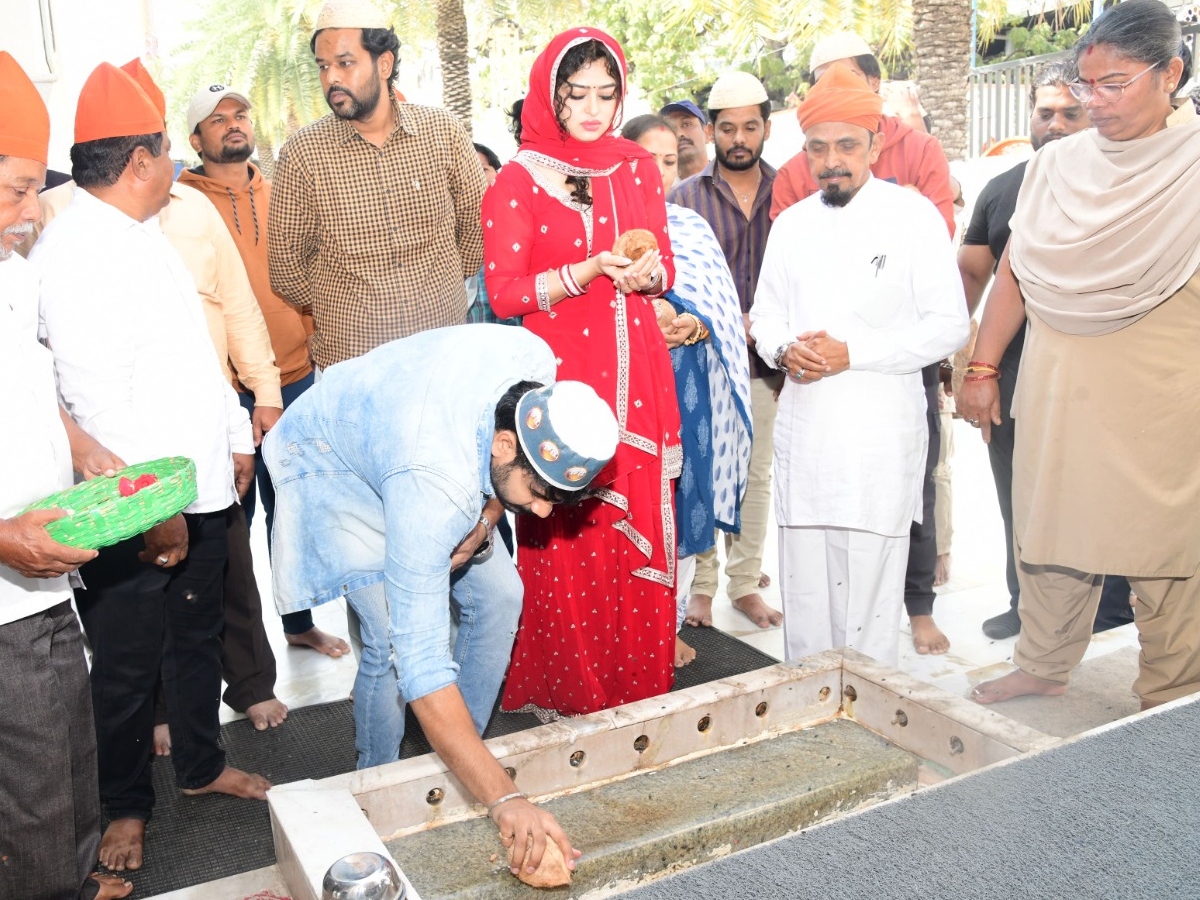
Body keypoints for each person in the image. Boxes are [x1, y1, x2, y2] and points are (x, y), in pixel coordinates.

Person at [33, 62, 271, 874]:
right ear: (139, 161)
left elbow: (195, 361)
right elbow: (96, 405)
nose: (173, 164)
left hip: (203, 485)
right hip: (142, 506)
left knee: (195, 638)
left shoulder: (145, 232)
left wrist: (237, 437)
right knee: (129, 661)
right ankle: (125, 805)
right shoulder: (73, 254)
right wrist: (149, 508)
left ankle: (201, 767)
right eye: (167, 150)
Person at [265, 324, 612, 877]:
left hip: (418, 435)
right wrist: (507, 800)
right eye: (540, 495)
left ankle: (450, 764)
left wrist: (490, 513)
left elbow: (491, 478)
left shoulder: (534, 368)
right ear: (506, 446)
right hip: (335, 458)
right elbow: (424, 662)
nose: (544, 515)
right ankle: (372, 790)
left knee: (502, 596)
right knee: (389, 642)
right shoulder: (431, 489)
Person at [961, 0, 1200, 709]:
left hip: (1163, 389)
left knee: (1165, 546)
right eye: (1085, 86)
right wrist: (981, 367)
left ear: (1171, 74)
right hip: (1058, 381)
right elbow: (1013, 274)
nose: (1094, 103)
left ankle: (1173, 686)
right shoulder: (1057, 165)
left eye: (1114, 85)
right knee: (1050, 526)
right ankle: (1044, 660)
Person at [483, 27, 680, 717]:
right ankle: (574, 690)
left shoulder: (635, 167)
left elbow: (664, 267)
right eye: (576, 95)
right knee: (568, 531)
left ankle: (637, 689)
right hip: (564, 379)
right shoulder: (519, 177)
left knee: (636, 523)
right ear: (550, 95)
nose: (593, 109)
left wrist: (650, 274)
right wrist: (587, 272)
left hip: (639, 372)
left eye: (607, 93)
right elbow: (504, 291)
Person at [749, 63, 968, 667]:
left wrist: (855, 354)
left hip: (877, 441)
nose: (832, 160)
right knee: (808, 599)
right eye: (818, 147)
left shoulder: (912, 216)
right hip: (808, 437)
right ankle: (806, 717)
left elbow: (949, 324)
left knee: (870, 610)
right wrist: (783, 349)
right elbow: (763, 317)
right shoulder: (791, 225)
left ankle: (872, 724)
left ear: (876, 144)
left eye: (847, 144)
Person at [0, 50, 133, 900]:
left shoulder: (10, 272)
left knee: (69, 744)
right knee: (34, 777)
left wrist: (77, 441)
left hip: (42, 554)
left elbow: (27, 385)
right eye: (15, 189)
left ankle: (76, 875)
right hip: (5, 577)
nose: (29, 211)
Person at [957, 62, 1135, 641]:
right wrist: (966, 362)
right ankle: (1023, 605)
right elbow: (972, 277)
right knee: (1018, 494)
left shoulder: (1127, 183)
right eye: (1045, 113)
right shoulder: (1003, 189)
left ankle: (1109, 611)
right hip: (1011, 376)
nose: (1055, 125)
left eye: (1070, 113)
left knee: (1096, 494)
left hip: (1099, 374)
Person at [178, 83, 352, 660]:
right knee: (228, 526)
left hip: (296, 378)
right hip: (223, 390)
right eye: (217, 118)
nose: (233, 124)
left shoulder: (282, 193)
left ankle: (299, 622)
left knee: (295, 512)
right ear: (194, 137)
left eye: (241, 114)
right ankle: (239, 661)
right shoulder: (177, 205)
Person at [268, 0, 487, 370]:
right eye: (323, 67)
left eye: (345, 63)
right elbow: (287, 268)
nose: (331, 78)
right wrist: (342, 303)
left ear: (383, 64)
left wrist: (439, 284)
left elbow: (475, 225)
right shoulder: (304, 153)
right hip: (353, 368)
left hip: (441, 358)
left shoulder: (442, 132)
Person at [622, 113, 753, 667]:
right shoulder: (594, 232)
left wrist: (690, 325)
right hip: (624, 396)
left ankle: (667, 624)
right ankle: (629, 624)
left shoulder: (691, 229)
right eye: (645, 161)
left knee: (676, 510)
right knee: (626, 510)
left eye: (669, 161)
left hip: (686, 393)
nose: (658, 172)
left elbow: (720, 312)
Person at [668, 70, 783, 632]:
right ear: (712, 132)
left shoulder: (790, 192)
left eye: (751, 128)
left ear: (766, 128)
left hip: (767, 363)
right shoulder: (684, 199)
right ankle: (703, 587)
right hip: (705, 359)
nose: (740, 139)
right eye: (729, 128)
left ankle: (745, 584)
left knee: (756, 473)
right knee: (703, 467)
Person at [659, 98, 709, 181]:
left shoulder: (732, 178)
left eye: (686, 124)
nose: (679, 134)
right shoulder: (663, 190)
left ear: (707, 133)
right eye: (672, 128)